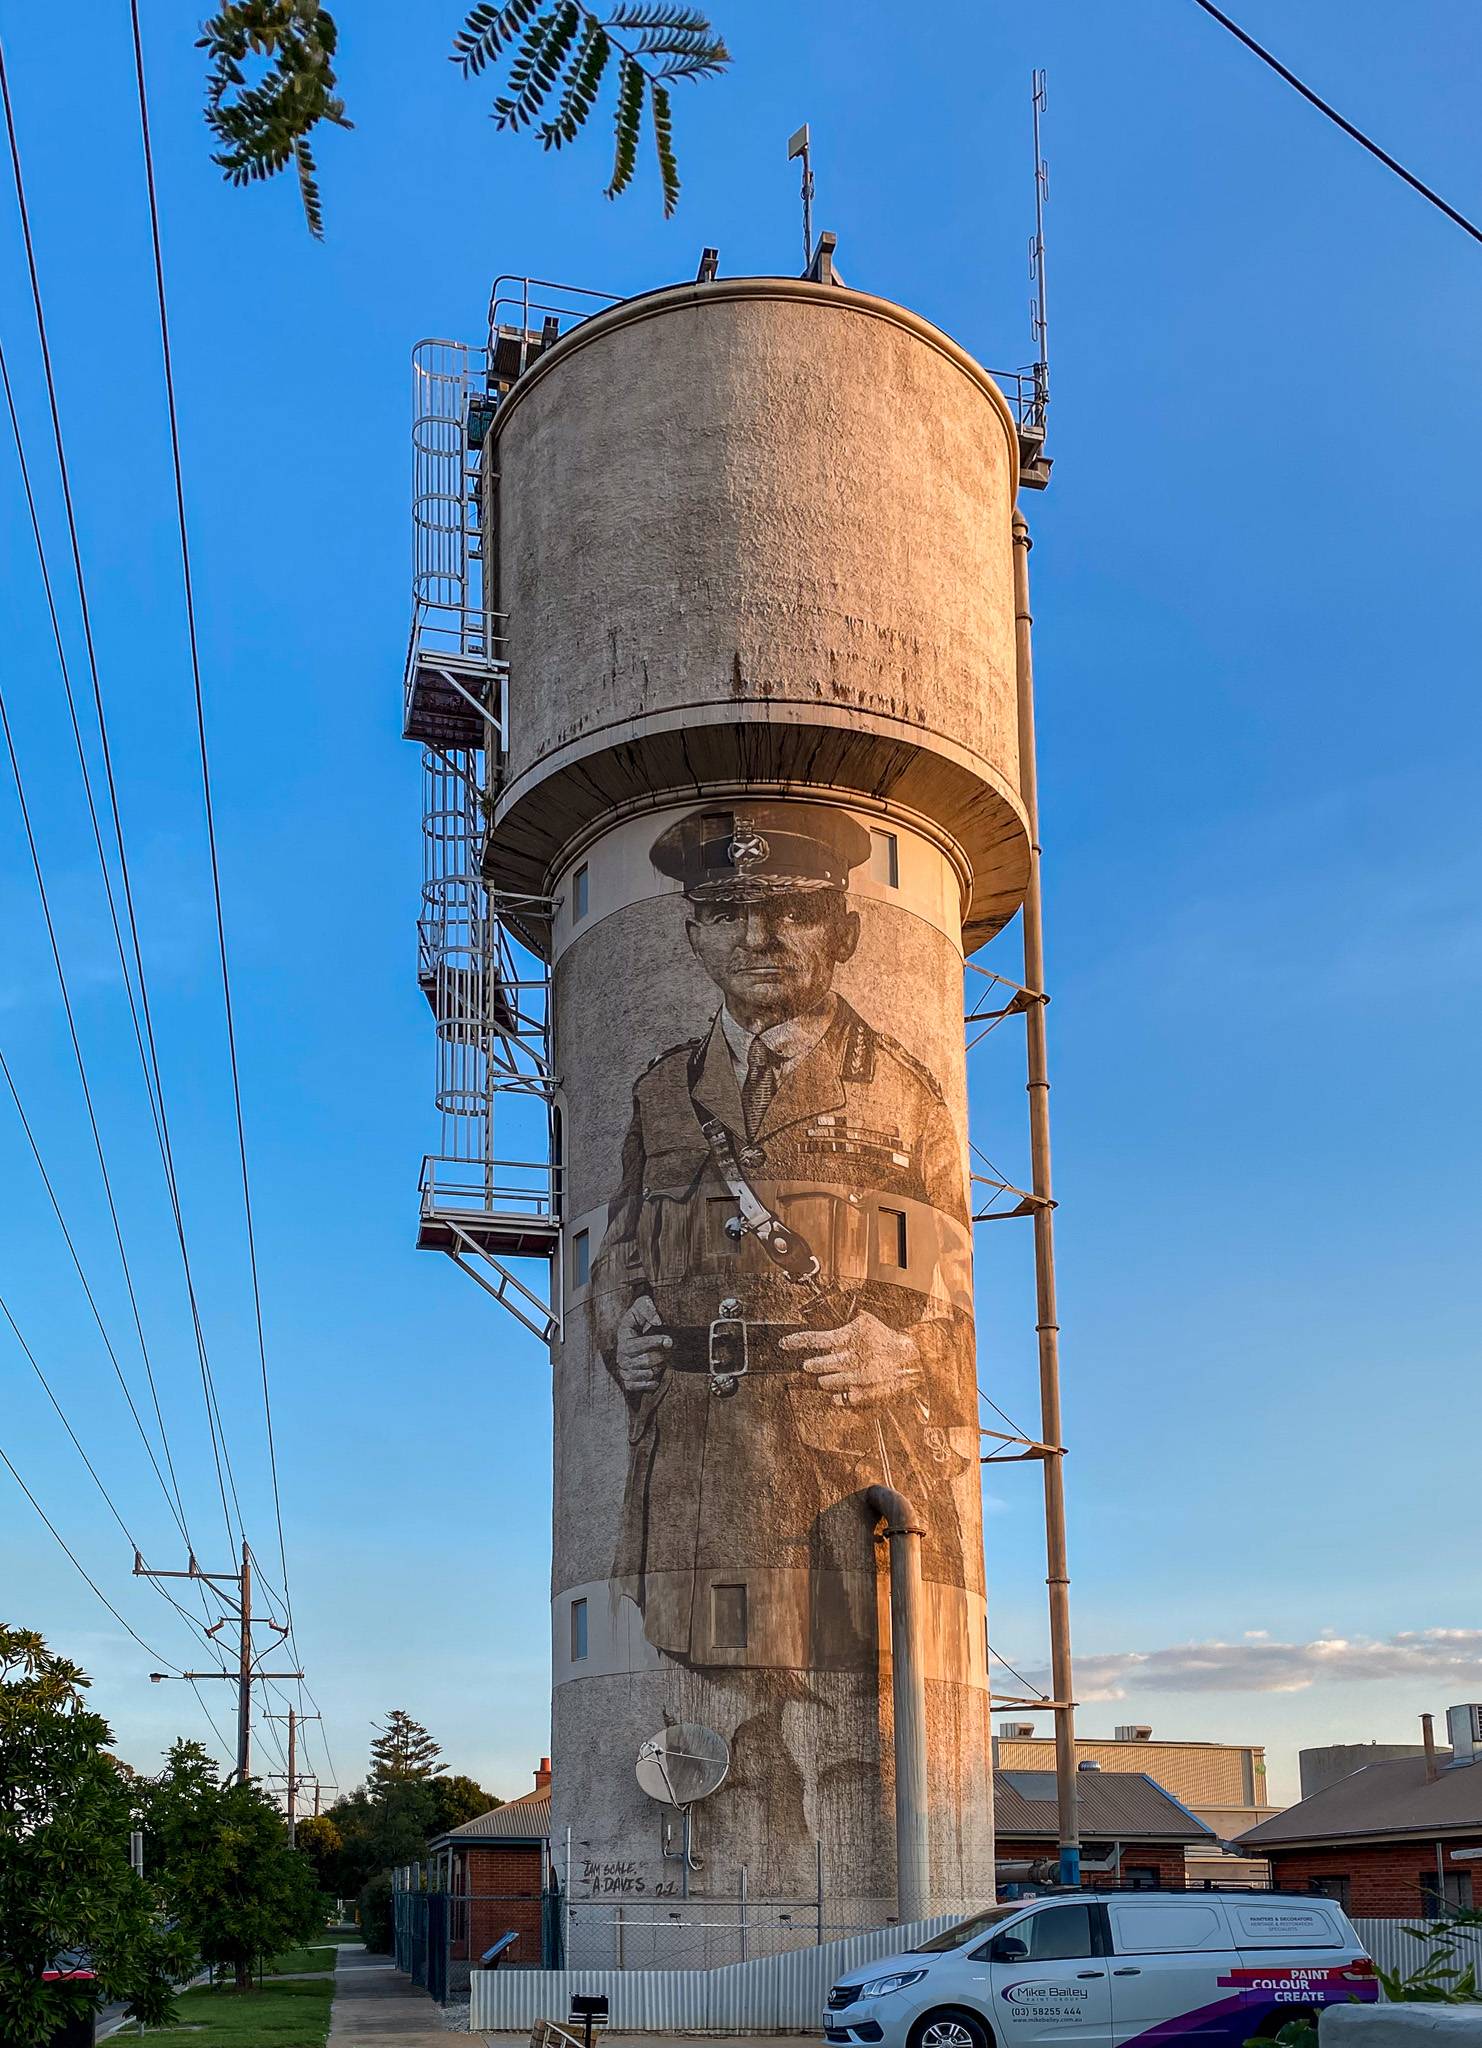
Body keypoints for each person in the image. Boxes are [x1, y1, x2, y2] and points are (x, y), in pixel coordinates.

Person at [590, 803, 976, 1671]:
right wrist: (621, 1327)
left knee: (848, 1733)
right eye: (729, 914)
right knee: (720, 1719)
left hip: (840, 1456)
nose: (758, 937)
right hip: (695, 1460)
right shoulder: (662, 1092)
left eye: (792, 912)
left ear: (842, 931)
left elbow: (951, 1269)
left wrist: (908, 1350)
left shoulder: (903, 1094)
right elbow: (617, 1245)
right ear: (694, 933)